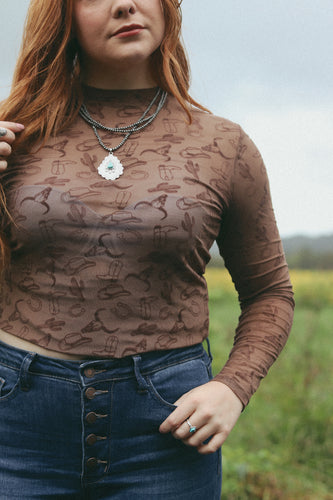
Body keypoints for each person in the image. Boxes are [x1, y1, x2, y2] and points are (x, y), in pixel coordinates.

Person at [0, 0, 294, 498]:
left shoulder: (225, 145)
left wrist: (232, 388)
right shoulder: (14, 133)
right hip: (17, 424)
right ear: (62, 17)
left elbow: (270, 294)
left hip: (166, 429)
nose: (124, 4)